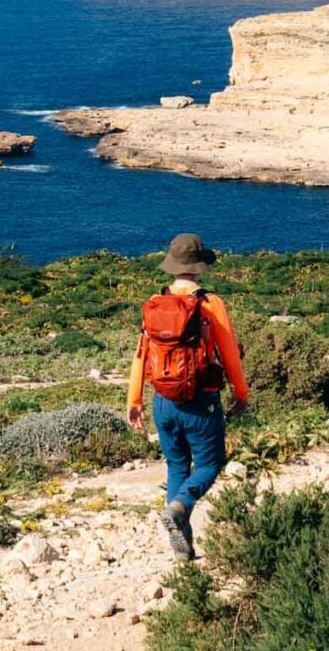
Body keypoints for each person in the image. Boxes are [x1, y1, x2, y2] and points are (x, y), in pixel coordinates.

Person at [126, 233, 248, 559]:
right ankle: (179, 508)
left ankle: (183, 547)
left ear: (172, 266)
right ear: (199, 267)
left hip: (162, 401)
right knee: (210, 464)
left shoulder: (155, 303)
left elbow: (140, 354)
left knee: (177, 465)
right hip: (200, 400)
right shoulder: (210, 304)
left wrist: (134, 401)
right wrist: (241, 393)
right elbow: (230, 354)